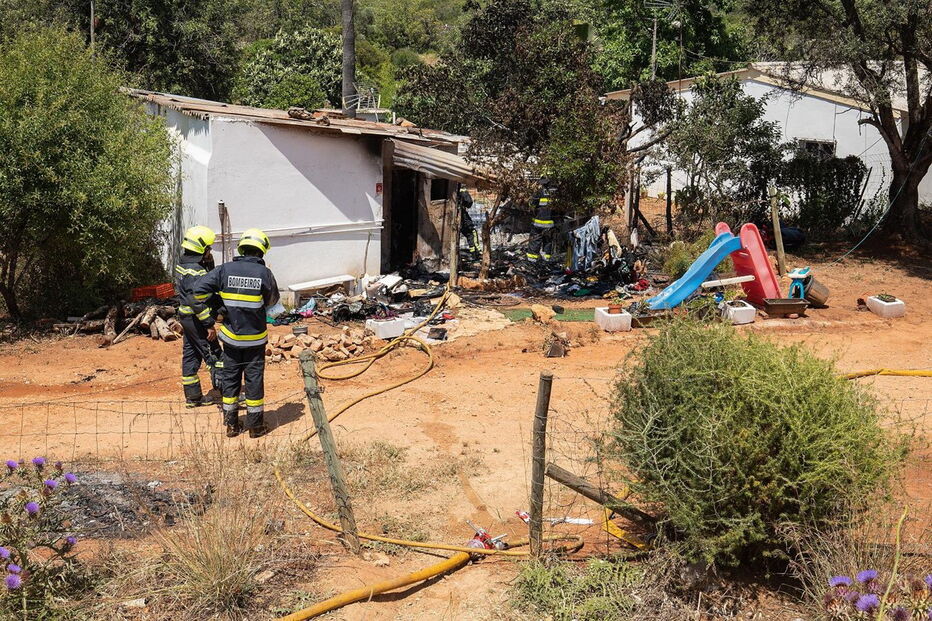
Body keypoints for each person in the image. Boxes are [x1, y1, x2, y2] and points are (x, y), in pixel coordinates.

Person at [194, 229, 279, 438]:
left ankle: (231, 425)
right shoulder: (264, 273)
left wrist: (217, 308)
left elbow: (197, 291)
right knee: (254, 381)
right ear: (261, 251)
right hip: (255, 341)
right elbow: (272, 301)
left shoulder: (224, 270)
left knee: (231, 379)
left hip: (231, 340)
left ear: (242, 248)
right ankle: (255, 427)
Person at [175, 225, 223, 408]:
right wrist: (209, 324)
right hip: (196, 319)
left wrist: (208, 263)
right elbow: (196, 301)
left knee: (191, 355)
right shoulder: (196, 271)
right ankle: (228, 394)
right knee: (214, 354)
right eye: (208, 248)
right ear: (201, 248)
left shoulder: (184, 265)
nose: (210, 251)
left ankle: (193, 398)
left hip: (186, 318)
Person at [526, 178, 555, 262]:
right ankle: (547, 259)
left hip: (538, 223)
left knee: (535, 241)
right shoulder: (555, 193)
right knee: (548, 241)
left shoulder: (539, 191)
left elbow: (532, 206)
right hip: (550, 224)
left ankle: (532, 260)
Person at [457, 187, 481, 255]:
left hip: (455, 217)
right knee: (472, 233)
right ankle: (475, 252)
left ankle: (474, 252)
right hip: (462, 217)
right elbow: (469, 202)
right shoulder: (461, 189)